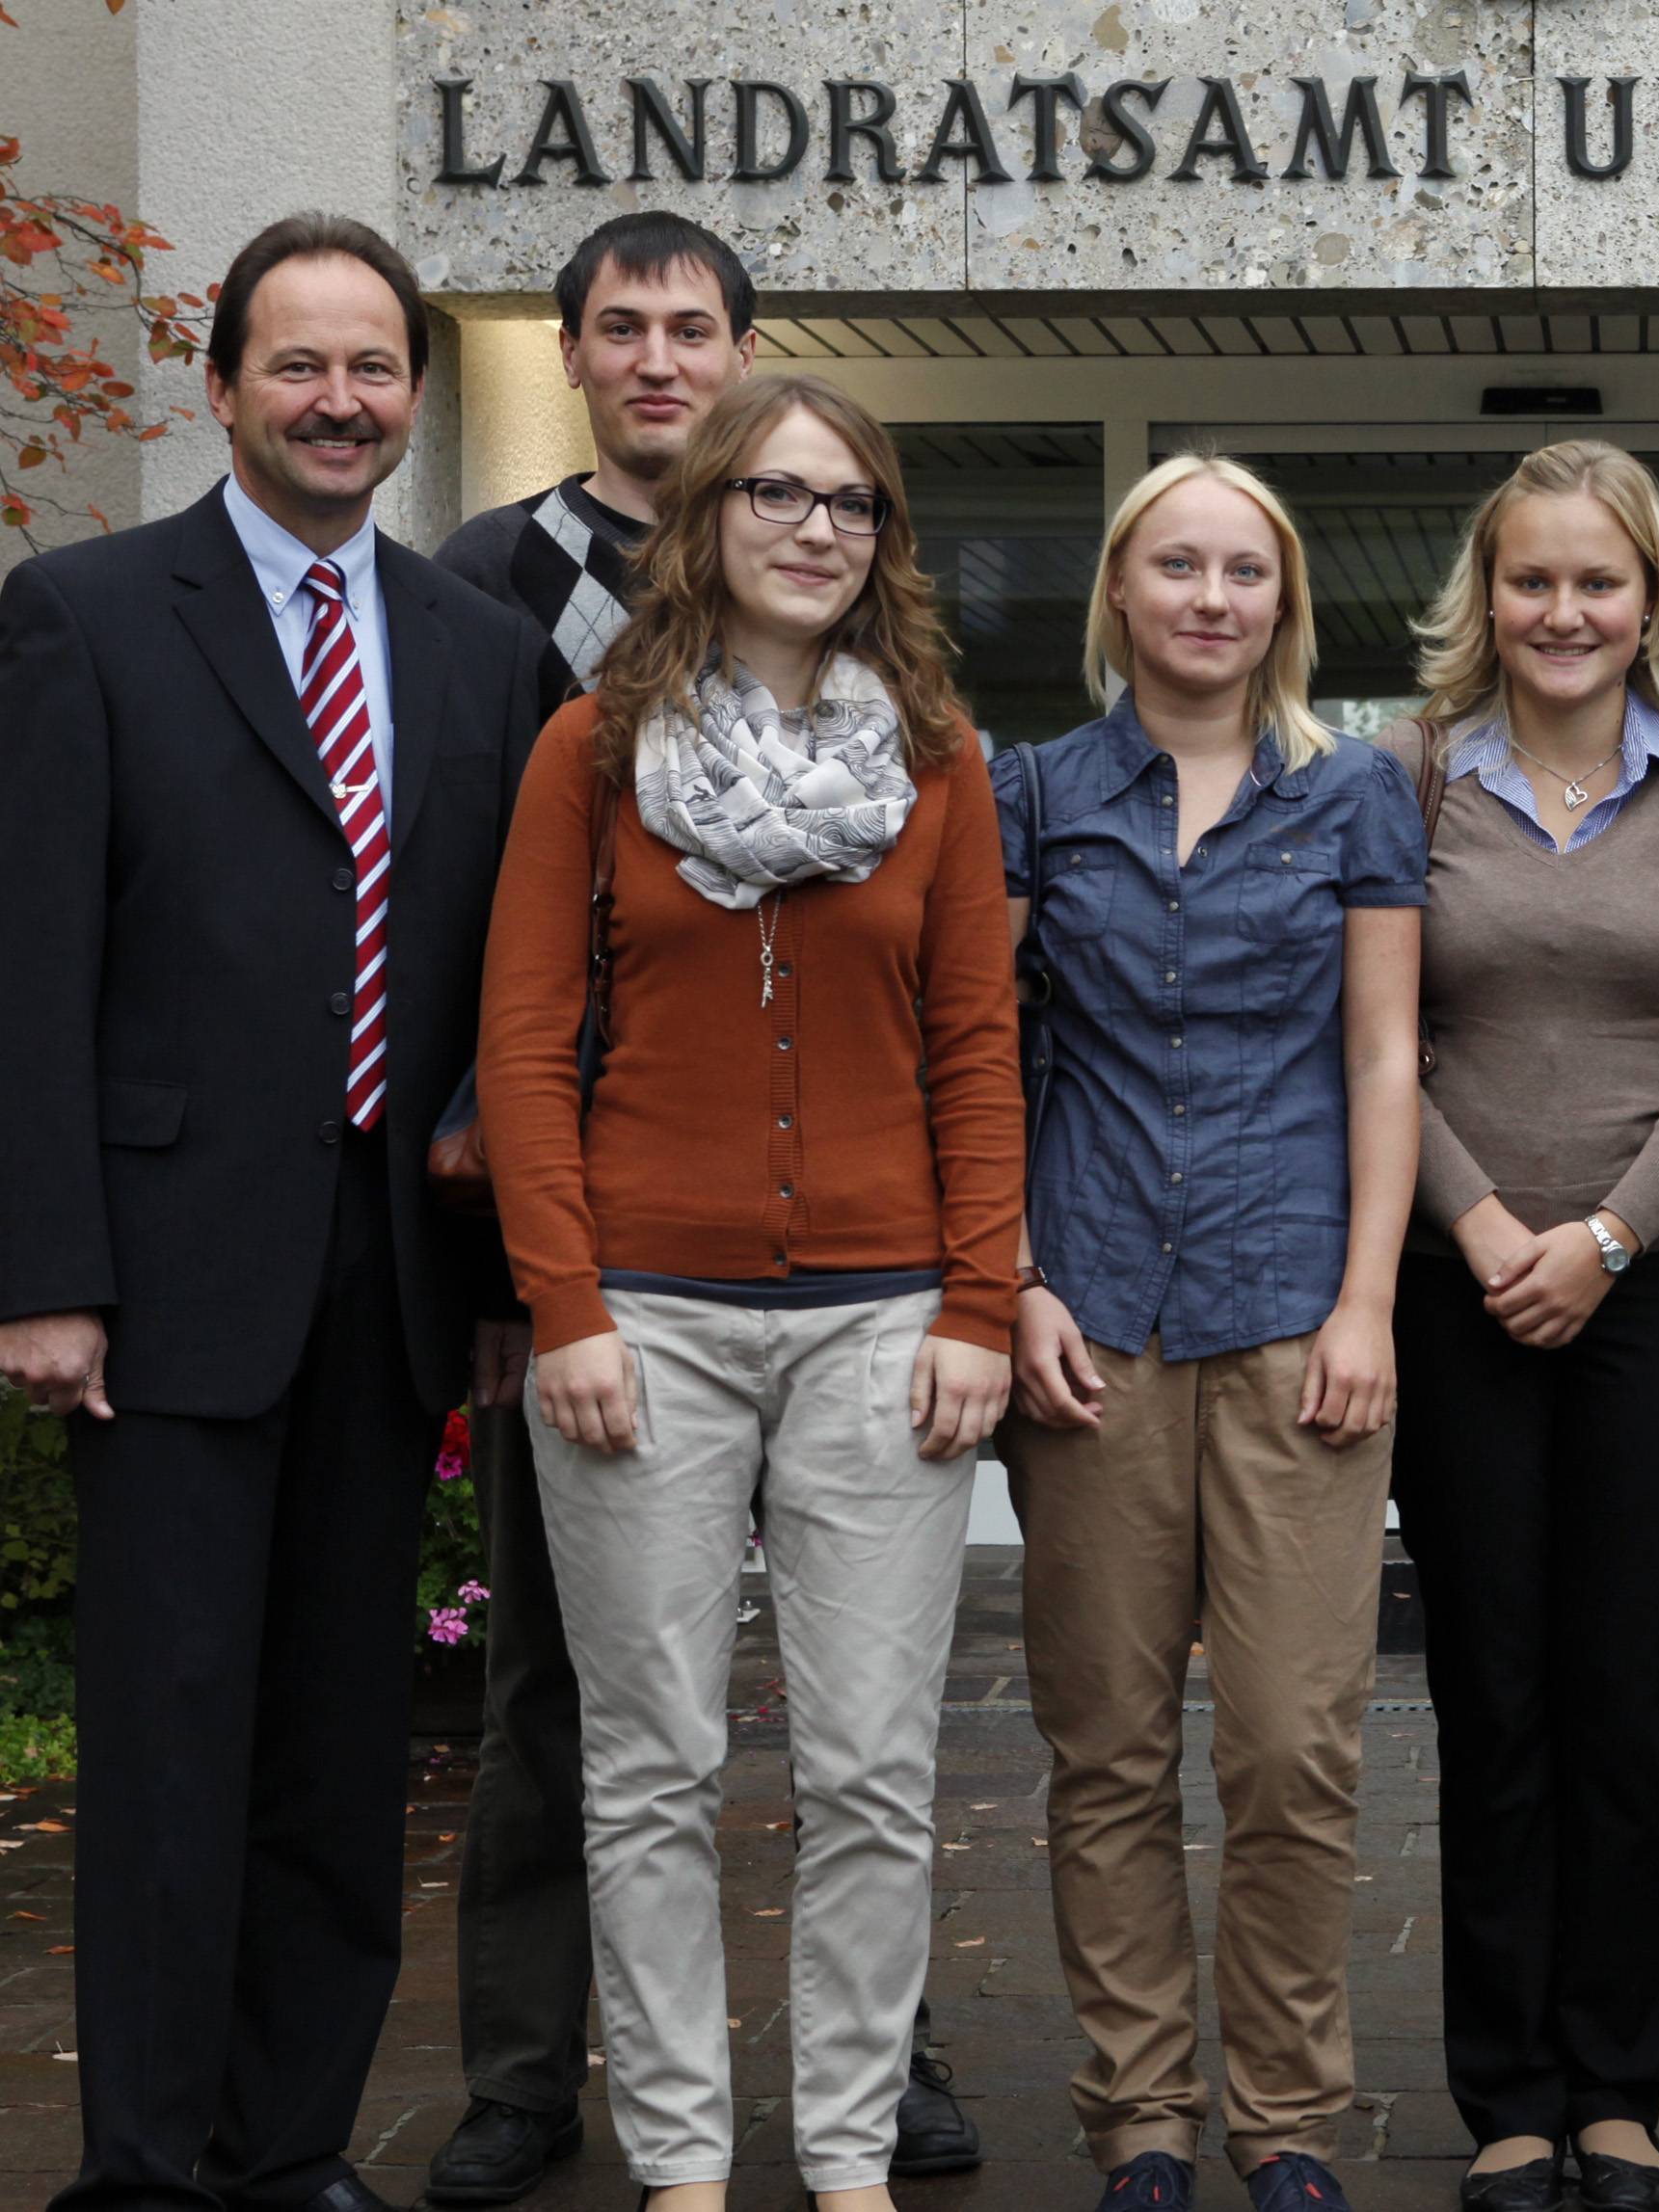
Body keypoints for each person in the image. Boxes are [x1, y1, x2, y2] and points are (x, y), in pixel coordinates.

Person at [0, 213, 546, 2212]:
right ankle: (143, 2163)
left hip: (389, 1272)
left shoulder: (478, 643)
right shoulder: (83, 613)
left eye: (374, 367)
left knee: (337, 1743)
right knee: (166, 1744)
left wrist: (494, 1286)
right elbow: (31, 956)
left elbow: (498, 996)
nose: (340, 400)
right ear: (221, 385)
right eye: (298, 365)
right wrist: (44, 1268)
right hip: (161, 1278)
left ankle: (293, 2140)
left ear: (415, 393)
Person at [429, 210, 971, 2202]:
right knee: (632, 1761)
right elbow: (521, 1023)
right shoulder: (572, 717)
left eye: (845, 499)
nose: (809, 523)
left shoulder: (931, 758)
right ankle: (663, 2149)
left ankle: (844, 2147)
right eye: (776, 490)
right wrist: (555, 1296)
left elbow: (977, 1051)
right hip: (633, 1312)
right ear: (712, 505)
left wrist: (980, 1303)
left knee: (869, 1765)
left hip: (875, 1309)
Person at [994, 454, 1424, 2212]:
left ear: (1284, 603)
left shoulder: (1356, 798)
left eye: (1245, 571)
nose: (1211, 598)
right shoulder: (1032, 793)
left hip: (1294, 1317)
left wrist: (1369, 1302)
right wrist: (1011, 1276)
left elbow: (1386, 1057)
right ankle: (1141, 2121)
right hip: (1090, 1323)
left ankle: (1291, 2120)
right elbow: (985, 1059)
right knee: (1103, 1745)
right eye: (1176, 565)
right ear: (1118, 592)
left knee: (1290, 1747)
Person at [1377, 441, 1659, 2212]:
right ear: (1489, 596)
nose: (1563, 612)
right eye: (1532, 581)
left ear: (1650, 598)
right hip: (1453, 1288)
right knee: (1492, 1693)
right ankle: (1507, 2096)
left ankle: (1617, 2084)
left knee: (1626, 1696)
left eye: (1597, 582)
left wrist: (1606, 1236)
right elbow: (1376, 1036)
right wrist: (1479, 1230)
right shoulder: (1407, 773)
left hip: (1657, 1298)